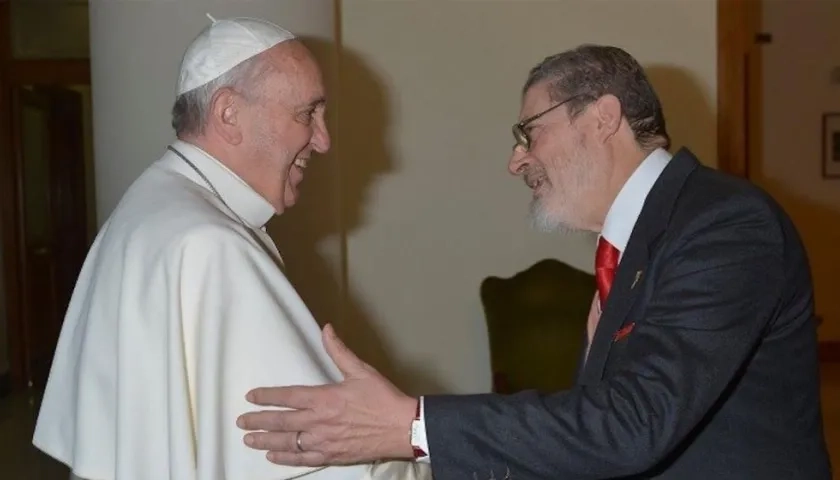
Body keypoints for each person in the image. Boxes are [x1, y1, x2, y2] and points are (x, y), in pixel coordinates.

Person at [236, 45, 833, 479]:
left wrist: (412, 427)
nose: (515, 161)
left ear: (601, 117)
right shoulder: (641, 243)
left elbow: (634, 425)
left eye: (528, 132)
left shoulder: (724, 223)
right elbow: (598, 435)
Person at [31, 15, 428, 480]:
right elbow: (324, 460)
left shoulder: (150, 203)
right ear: (228, 114)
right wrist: (424, 453)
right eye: (307, 114)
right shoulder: (209, 244)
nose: (323, 140)